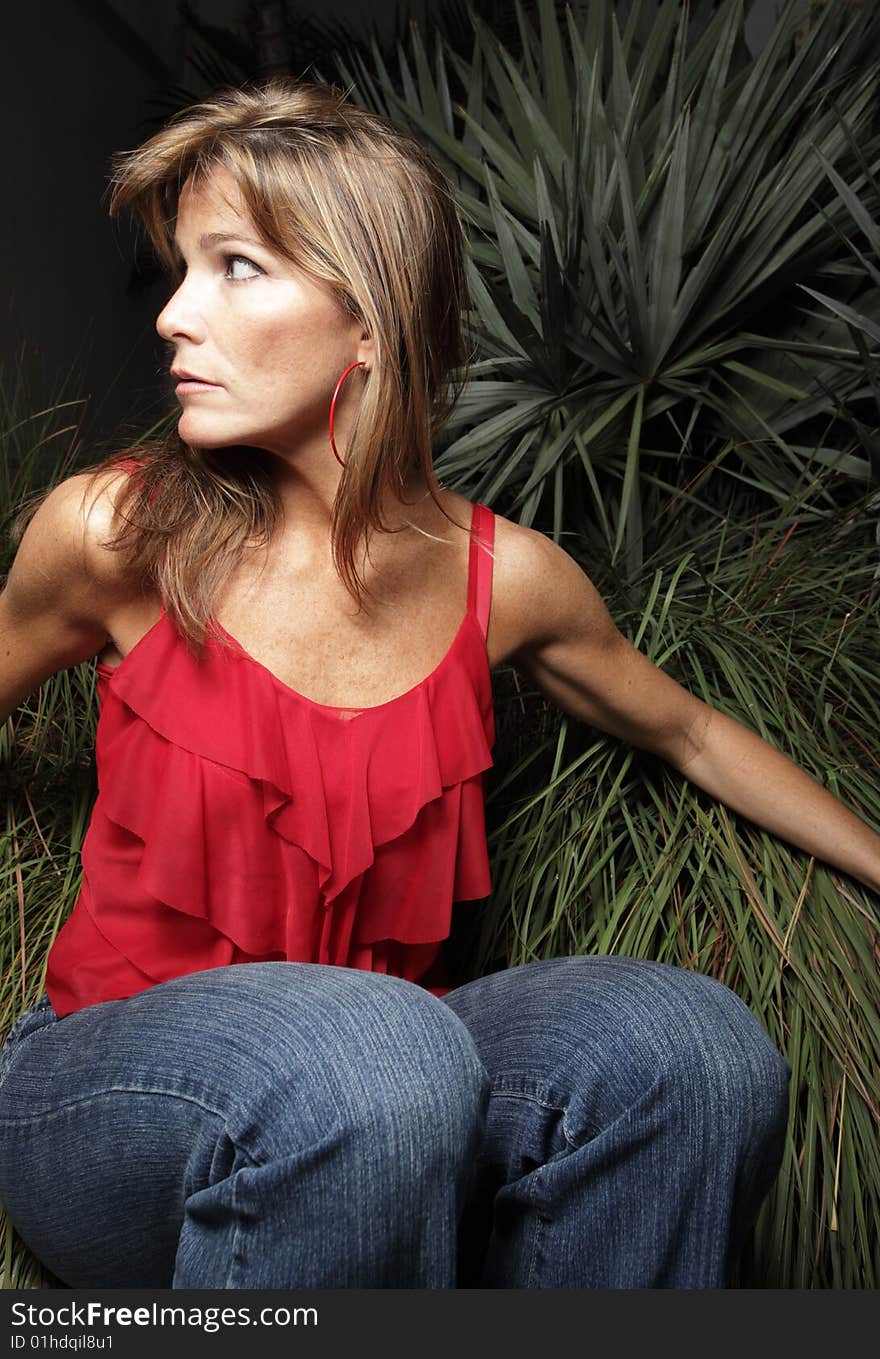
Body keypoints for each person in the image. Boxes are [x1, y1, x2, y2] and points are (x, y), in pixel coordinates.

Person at [0, 77, 875, 1292]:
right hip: (104, 1101)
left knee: (687, 1047)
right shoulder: (115, 533)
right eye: (182, 270)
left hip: (390, 1094)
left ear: (372, 320)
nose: (174, 317)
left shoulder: (506, 579)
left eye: (236, 265)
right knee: (369, 1051)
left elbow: (686, 732)